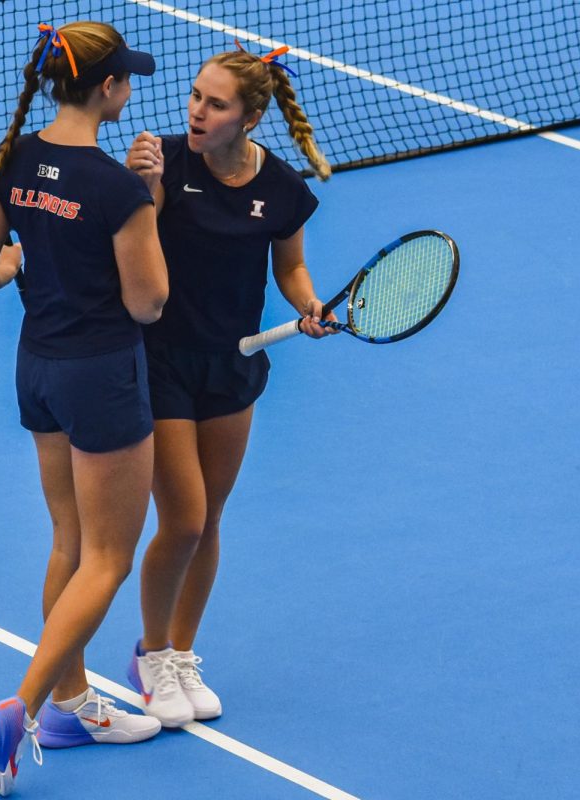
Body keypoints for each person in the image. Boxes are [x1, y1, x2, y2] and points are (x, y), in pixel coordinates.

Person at [0, 21, 167, 796]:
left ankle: (73, 708)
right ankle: (20, 705)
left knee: (69, 542)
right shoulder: (116, 189)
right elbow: (148, 305)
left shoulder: (11, 159)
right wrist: (146, 201)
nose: (131, 90)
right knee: (109, 559)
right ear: (108, 88)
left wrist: (20, 255)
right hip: (103, 377)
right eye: (127, 80)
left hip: (38, 370)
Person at [123, 44, 334, 726]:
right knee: (181, 519)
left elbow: (291, 269)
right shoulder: (165, 162)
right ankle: (151, 653)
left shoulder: (280, 188)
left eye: (215, 104)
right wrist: (145, 191)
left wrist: (309, 306)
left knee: (209, 518)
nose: (196, 111)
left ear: (248, 118)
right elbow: (132, 249)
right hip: (160, 362)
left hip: (234, 363)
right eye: (195, 96)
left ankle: (181, 652)